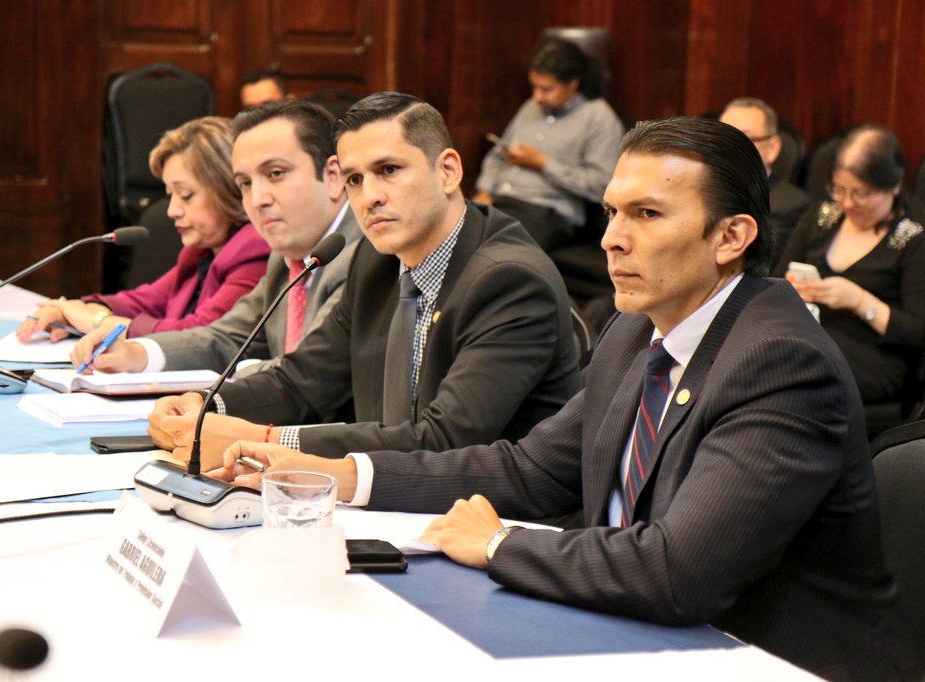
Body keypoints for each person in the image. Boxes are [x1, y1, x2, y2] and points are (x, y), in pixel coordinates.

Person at [219, 117, 919, 681]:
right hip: (632, 636)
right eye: (612, 211)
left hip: (766, 660)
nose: (612, 238)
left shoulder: (780, 362)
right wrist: (341, 476)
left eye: (647, 214)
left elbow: (678, 572)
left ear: (731, 237)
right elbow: (530, 470)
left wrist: (497, 543)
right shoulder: (635, 331)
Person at [149, 92, 581, 470]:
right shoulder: (375, 261)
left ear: (448, 171)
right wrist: (207, 404)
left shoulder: (508, 281)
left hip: (495, 518)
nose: (369, 196)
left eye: (388, 170)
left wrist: (267, 440)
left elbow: (445, 440)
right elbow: (306, 379)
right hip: (396, 501)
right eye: (355, 179)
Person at [69, 101, 361, 380]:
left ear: (333, 176)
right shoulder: (286, 259)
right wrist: (137, 354)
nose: (258, 199)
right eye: (245, 184)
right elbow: (226, 339)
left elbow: (311, 374)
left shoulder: (360, 258)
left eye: (276, 174)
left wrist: (234, 378)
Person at [18, 116, 270, 343]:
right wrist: (73, 310)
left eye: (186, 195)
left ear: (230, 190)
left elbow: (199, 336)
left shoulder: (254, 249)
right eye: (170, 195)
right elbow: (145, 301)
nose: (172, 211)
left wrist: (98, 322)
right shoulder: (202, 252)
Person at [774, 124, 925, 434]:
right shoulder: (823, 215)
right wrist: (791, 287)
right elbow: (775, 280)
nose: (848, 203)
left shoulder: (912, 239)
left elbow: (917, 333)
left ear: (894, 186)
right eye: (839, 190)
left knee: (789, 378)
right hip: (809, 336)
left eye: (861, 193)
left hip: (872, 357)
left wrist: (858, 300)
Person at [473, 39, 624, 250]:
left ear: (572, 83)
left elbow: (601, 185)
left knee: (492, 247)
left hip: (546, 210)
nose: (537, 96)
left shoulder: (599, 118)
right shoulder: (531, 107)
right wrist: (484, 190)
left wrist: (543, 163)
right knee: (450, 232)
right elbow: (498, 155)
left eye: (546, 89)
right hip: (499, 198)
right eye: (534, 87)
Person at [719, 97, 810, 257]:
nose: (729, 148)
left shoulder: (790, 205)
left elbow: (761, 264)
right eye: (723, 138)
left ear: (772, 148)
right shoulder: (700, 191)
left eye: (743, 139)